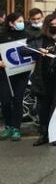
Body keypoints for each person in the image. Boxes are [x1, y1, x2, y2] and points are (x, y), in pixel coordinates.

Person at [29, 14, 56, 146]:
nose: (55, 26)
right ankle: (44, 135)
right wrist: (37, 51)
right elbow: (24, 50)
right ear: (47, 25)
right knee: (43, 109)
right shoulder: (39, 38)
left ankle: (55, 134)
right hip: (42, 78)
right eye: (52, 24)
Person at [0, 13, 31, 141]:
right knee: (5, 100)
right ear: (11, 23)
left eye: (22, 21)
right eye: (19, 21)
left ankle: (16, 128)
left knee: (18, 100)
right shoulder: (2, 35)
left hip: (22, 73)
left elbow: (33, 51)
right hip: (4, 73)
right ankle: (8, 125)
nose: (21, 23)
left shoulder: (27, 35)